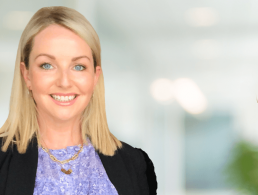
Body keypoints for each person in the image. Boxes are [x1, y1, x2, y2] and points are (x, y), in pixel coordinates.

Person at [0, 6, 157, 195]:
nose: (64, 82)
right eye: (47, 65)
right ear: (26, 75)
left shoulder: (134, 163)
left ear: (95, 76)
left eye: (79, 67)